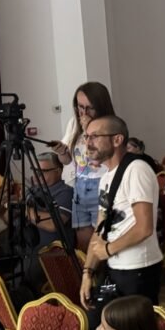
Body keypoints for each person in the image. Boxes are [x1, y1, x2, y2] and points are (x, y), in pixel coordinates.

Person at [79, 115, 163, 329]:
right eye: (87, 137)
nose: (88, 143)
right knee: (101, 327)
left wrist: (108, 250)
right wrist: (87, 272)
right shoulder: (106, 177)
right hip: (114, 266)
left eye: (95, 136)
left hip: (138, 268)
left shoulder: (137, 169)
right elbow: (100, 229)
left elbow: (144, 227)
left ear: (117, 140)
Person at [52, 82, 115, 253]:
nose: (83, 113)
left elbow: (100, 156)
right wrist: (62, 152)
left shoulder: (109, 125)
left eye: (89, 108)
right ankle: (88, 270)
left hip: (101, 185)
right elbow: (69, 162)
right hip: (80, 186)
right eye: (80, 106)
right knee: (83, 242)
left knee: (101, 240)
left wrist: (88, 129)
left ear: (100, 106)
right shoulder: (74, 123)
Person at [29, 151, 74, 249]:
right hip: (27, 249)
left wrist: (25, 211)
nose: (36, 175)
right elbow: (12, 220)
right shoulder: (32, 190)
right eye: (34, 170)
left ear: (58, 171)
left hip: (52, 252)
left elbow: (53, 224)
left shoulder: (66, 192)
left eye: (42, 171)